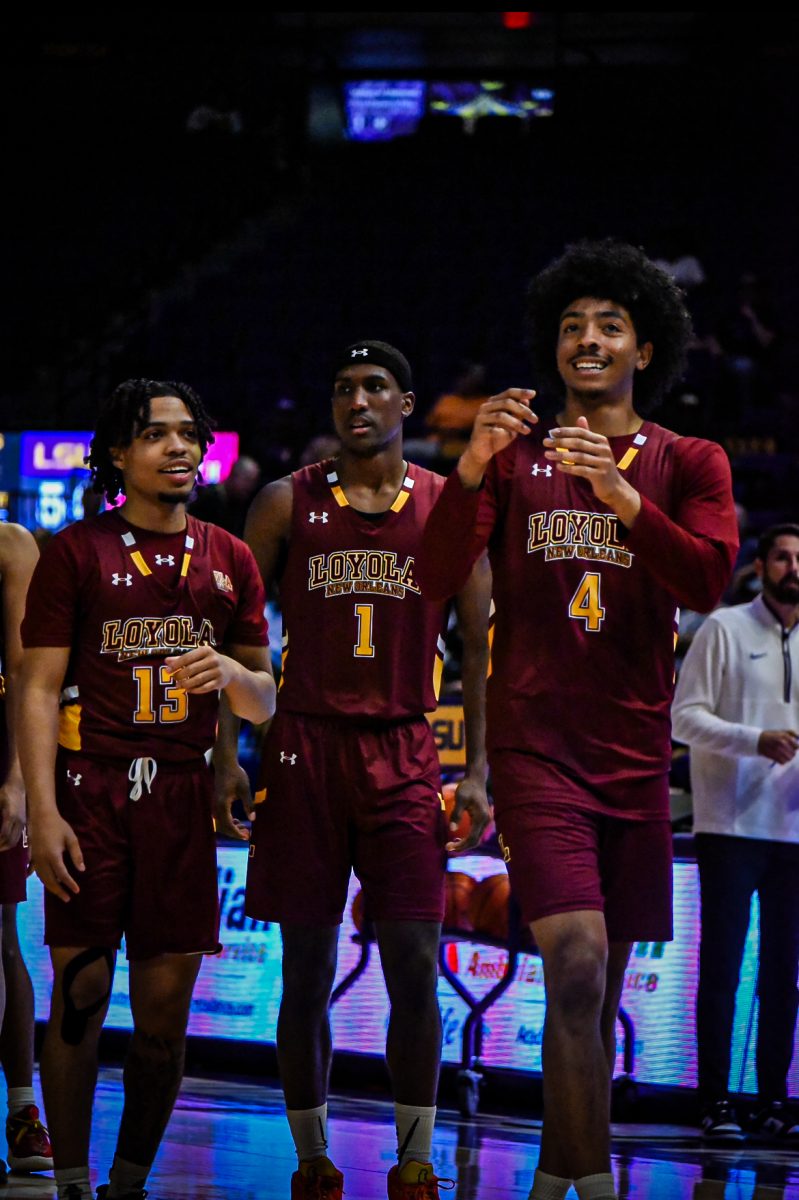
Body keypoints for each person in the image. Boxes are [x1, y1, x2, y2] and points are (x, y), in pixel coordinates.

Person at [416, 241, 739, 1200]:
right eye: (569, 326)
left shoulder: (691, 460)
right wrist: (468, 470)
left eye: (607, 326)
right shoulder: (510, 455)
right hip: (535, 749)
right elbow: (431, 582)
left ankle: (556, 1180)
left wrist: (619, 494)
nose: (585, 340)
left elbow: (707, 579)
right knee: (578, 956)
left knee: (589, 1003)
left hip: (634, 754)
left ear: (644, 348)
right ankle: (593, 1188)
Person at [215, 341, 491, 1200]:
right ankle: (311, 1158)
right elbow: (236, 633)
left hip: (405, 748)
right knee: (304, 968)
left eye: (374, 387)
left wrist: (478, 769)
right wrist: (225, 751)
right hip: (302, 746)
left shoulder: (449, 506)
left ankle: (415, 1157)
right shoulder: (280, 502)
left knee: (414, 959)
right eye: (342, 388)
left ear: (407, 403)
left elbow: (477, 644)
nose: (357, 401)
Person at [18, 379, 275, 1200]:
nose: (178, 448)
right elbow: (33, 688)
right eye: (156, 435)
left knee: (162, 1032)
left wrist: (234, 673)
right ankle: (71, 1181)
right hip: (90, 790)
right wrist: (43, 809)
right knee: (82, 994)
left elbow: (264, 701)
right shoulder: (75, 552)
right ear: (118, 456)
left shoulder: (230, 559)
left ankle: (129, 1183)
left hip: (178, 797)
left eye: (188, 435)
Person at [672, 523, 799, 1143]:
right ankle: (715, 1101)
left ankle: (775, 1099)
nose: (793, 566)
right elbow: (684, 718)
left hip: (794, 832)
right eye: (782, 556)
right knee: (721, 968)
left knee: (785, 973)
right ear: (760, 566)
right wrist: (755, 740)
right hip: (729, 825)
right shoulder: (722, 627)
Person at [0, 522, 54, 1177]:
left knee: (2, 939)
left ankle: (20, 1111)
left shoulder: (12, 544)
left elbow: (25, 670)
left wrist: (17, 779)